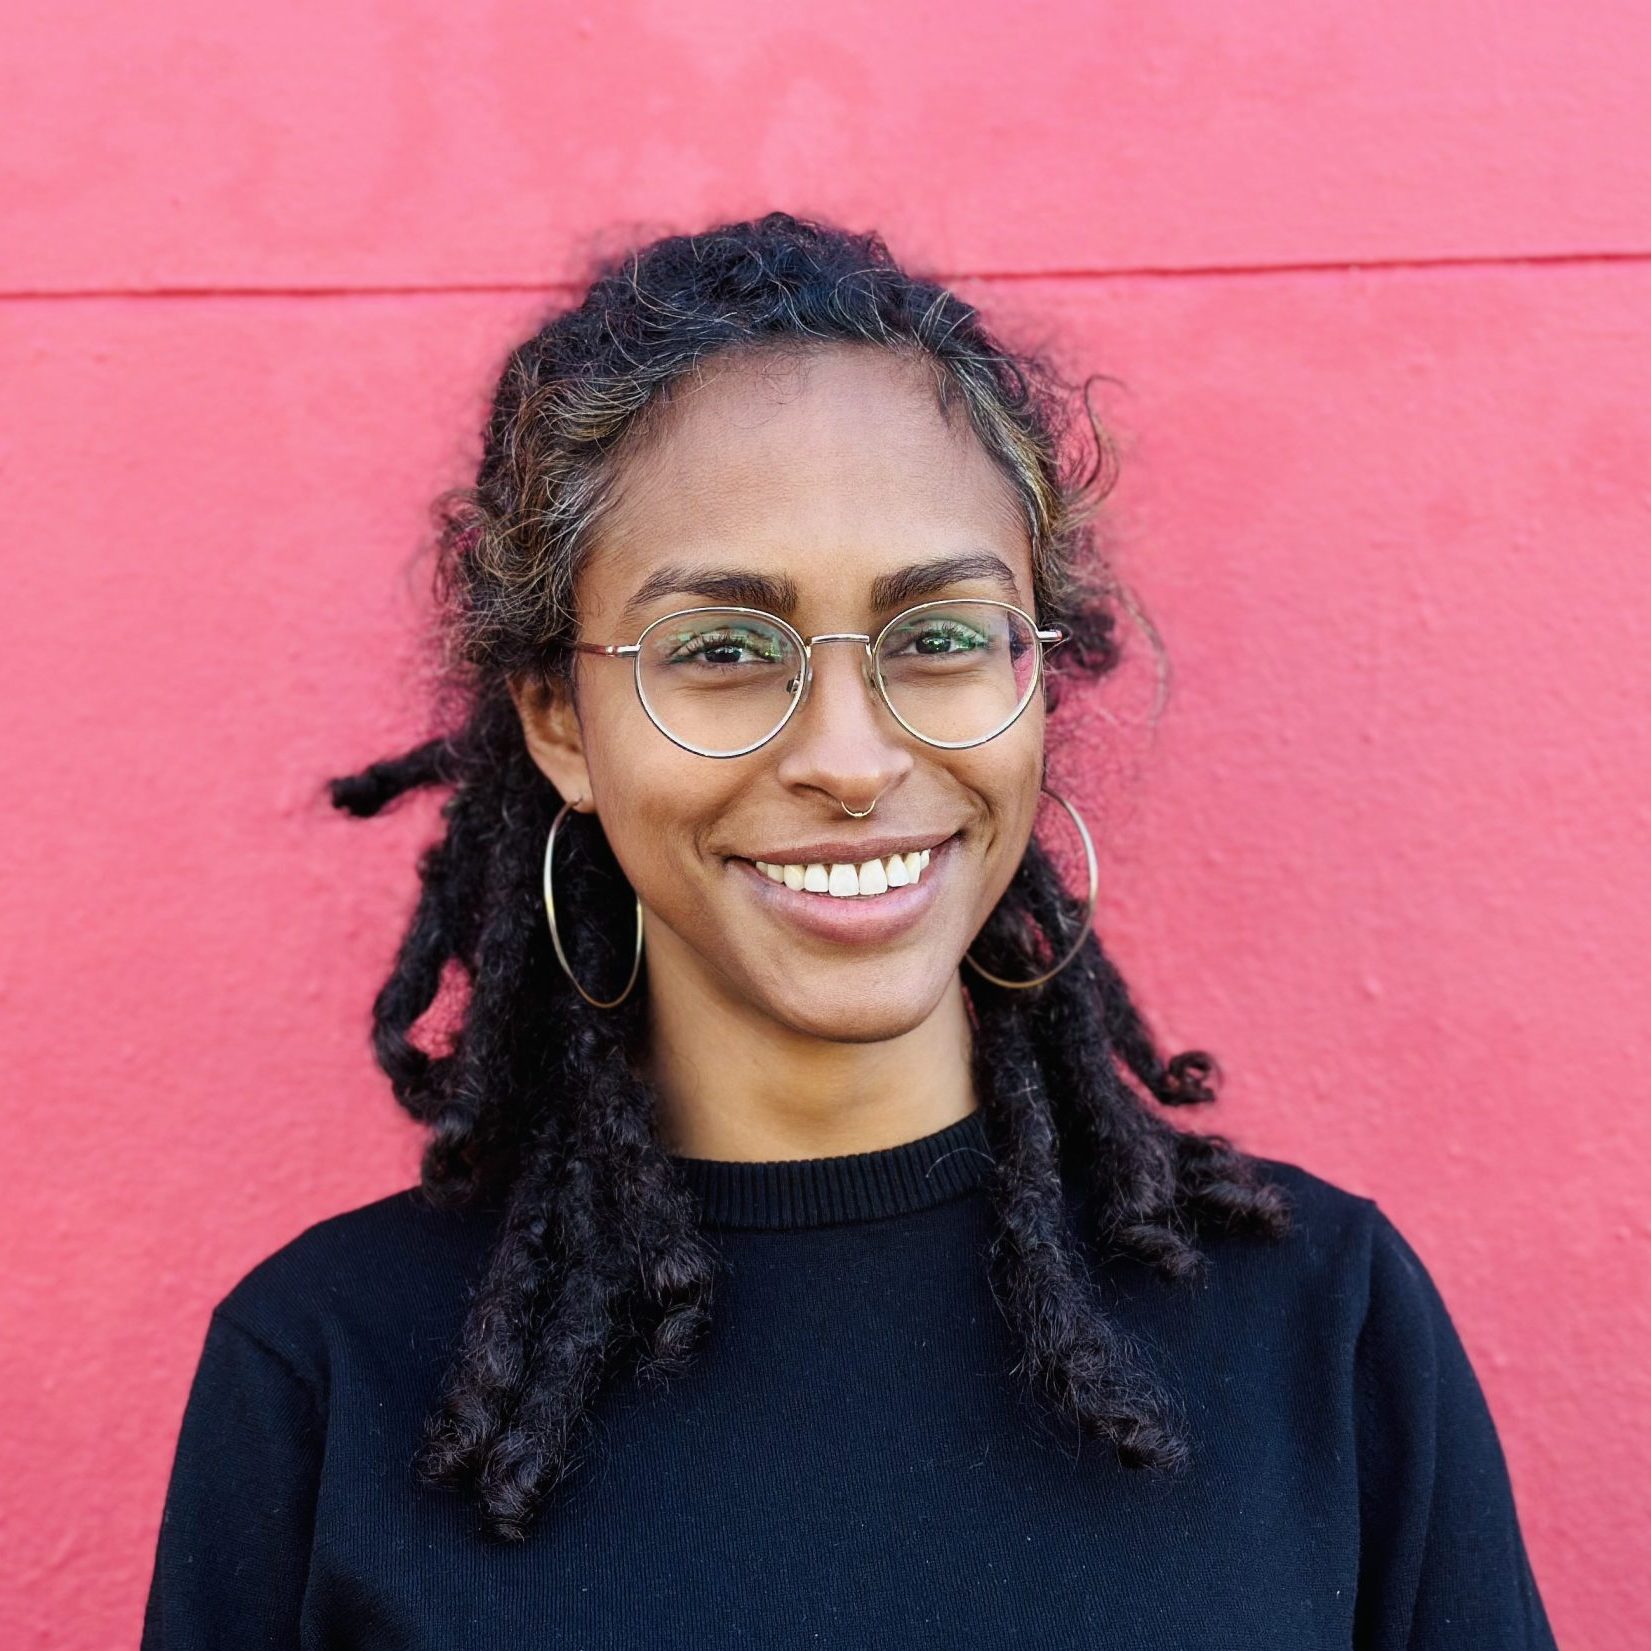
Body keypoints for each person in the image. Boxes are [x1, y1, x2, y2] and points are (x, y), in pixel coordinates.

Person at [139, 211, 1559, 1649]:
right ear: (560, 719)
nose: (850, 758)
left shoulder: (1320, 1326)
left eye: (937, 637)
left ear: (1033, 673)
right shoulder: (329, 1373)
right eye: (721, 650)